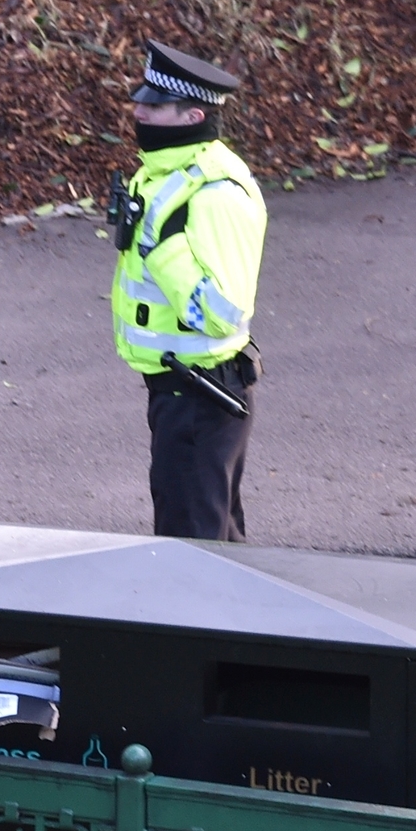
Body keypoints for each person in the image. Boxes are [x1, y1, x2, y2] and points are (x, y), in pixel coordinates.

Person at [107, 39, 268, 539]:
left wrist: (163, 250)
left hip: (202, 391)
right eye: (140, 101)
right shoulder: (165, 176)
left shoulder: (217, 194)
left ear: (192, 115)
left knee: (193, 550)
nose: (138, 111)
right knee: (214, 538)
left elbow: (225, 312)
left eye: (154, 106)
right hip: (181, 391)